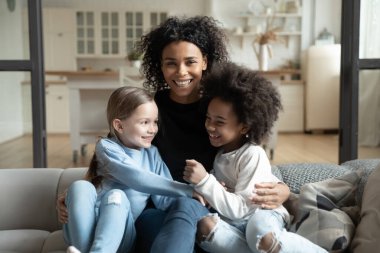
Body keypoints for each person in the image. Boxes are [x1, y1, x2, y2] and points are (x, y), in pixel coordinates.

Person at [135, 15, 291, 252]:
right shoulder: (149, 109)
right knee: (154, 225)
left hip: (210, 209)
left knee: (193, 221)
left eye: (190, 62)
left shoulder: (220, 107)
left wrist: (283, 189)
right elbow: (116, 151)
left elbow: (247, 158)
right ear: (160, 65)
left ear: (205, 62)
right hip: (159, 206)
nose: (181, 72)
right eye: (170, 63)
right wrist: (85, 187)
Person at [183, 62, 328, 253]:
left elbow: (242, 208)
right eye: (208, 118)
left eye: (219, 122)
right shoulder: (220, 155)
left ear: (244, 126)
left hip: (263, 215)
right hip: (236, 223)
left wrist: (204, 181)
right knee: (205, 228)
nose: (210, 126)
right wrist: (209, 189)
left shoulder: (252, 154)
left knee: (258, 232)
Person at [64, 86, 209, 253]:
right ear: (119, 126)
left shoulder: (152, 154)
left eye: (155, 122)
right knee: (78, 186)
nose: (152, 129)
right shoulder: (107, 147)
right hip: (85, 229)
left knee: (116, 196)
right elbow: (137, 177)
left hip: (121, 235)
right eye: (144, 122)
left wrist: (207, 192)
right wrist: (187, 190)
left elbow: (165, 199)